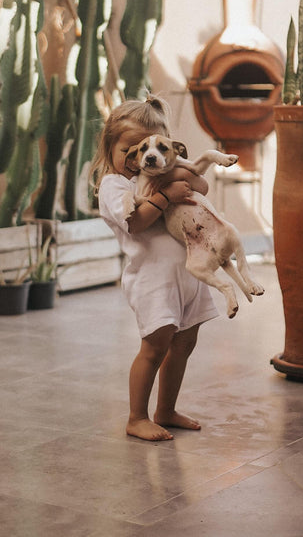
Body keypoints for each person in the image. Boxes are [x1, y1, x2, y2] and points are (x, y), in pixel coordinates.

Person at [91, 94, 218, 441]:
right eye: (129, 150)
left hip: (188, 274)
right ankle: (136, 417)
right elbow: (135, 223)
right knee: (155, 345)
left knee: (184, 342)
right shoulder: (115, 185)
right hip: (153, 280)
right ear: (111, 149)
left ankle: (166, 409)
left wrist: (186, 177)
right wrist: (165, 197)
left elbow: (201, 187)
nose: (141, 157)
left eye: (151, 148)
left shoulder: (163, 172)